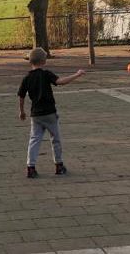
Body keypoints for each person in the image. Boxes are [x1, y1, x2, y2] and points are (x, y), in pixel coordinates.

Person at [17, 47, 85, 178]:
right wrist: (77, 74)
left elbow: (21, 96)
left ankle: (30, 167)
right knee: (55, 139)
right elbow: (60, 82)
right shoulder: (46, 74)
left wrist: (22, 111)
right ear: (44, 61)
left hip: (35, 115)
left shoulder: (26, 78)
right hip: (49, 114)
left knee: (34, 139)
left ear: (30, 61)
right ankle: (59, 166)